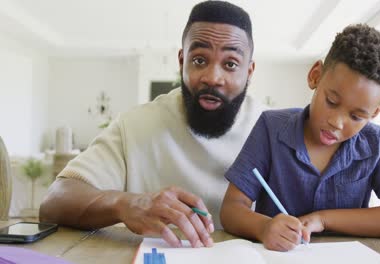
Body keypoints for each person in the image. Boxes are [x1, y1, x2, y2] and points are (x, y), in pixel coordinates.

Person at [40, 1, 264, 249]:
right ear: (182, 61)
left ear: (250, 71)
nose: (212, 78)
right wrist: (127, 204)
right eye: (199, 60)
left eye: (230, 64)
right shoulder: (135, 125)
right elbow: (54, 201)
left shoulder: (272, 130)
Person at [220, 24, 380, 252]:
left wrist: (323, 219)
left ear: (375, 112)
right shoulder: (271, 127)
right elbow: (231, 209)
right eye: (332, 102)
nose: (337, 123)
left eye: (356, 116)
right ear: (315, 76)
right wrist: (264, 227)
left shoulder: (373, 142)